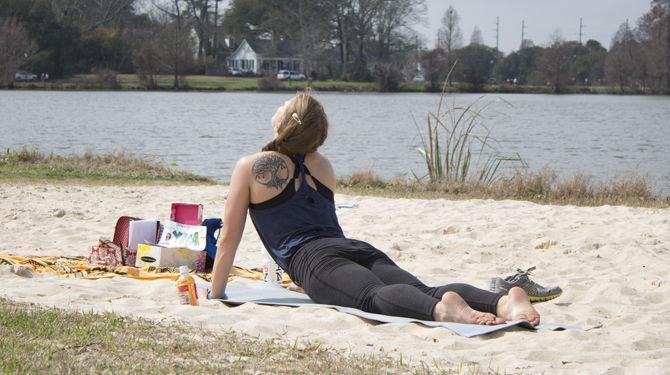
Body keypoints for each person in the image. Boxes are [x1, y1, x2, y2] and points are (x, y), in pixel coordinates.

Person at [210, 92, 540, 326]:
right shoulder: (323, 166)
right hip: (353, 249)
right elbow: (320, 224)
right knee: (422, 288)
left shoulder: (250, 167)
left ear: (286, 121)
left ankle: (443, 311)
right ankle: (505, 302)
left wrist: (217, 292)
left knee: (371, 297)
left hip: (314, 258)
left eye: (283, 105)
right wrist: (307, 280)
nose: (279, 106)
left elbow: (228, 240)